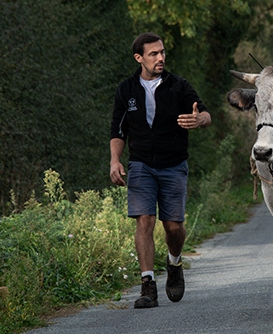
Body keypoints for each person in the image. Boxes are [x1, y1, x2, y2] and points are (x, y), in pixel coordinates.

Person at [109, 32, 211, 308]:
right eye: (153, 53)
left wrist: (198, 119)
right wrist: (115, 160)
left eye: (162, 52)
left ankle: (174, 263)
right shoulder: (126, 90)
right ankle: (147, 285)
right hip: (141, 163)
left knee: (174, 227)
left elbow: (205, 113)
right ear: (138, 58)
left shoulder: (178, 86)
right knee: (145, 220)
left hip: (174, 164)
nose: (160, 58)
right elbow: (118, 130)